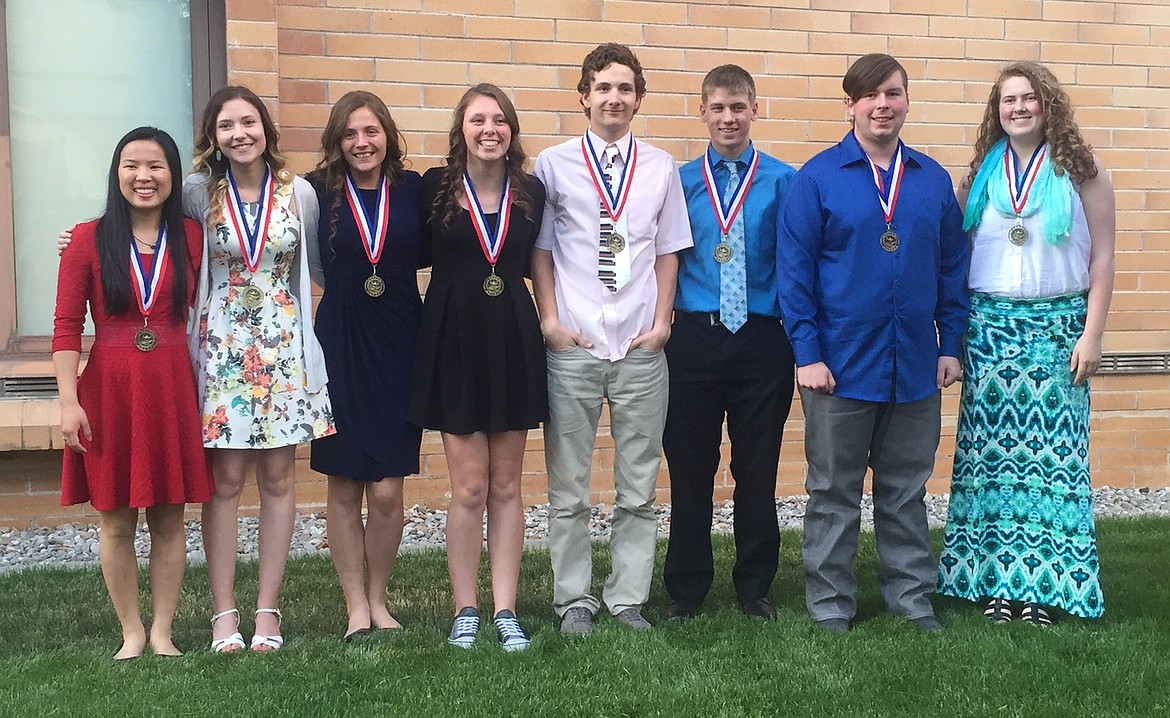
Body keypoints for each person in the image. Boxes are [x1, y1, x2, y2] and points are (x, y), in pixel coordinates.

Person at [776, 54, 969, 634]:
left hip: (913, 366)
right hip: (838, 367)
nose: (882, 105)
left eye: (893, 93)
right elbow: (795, 274)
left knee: (906, 491)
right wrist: (806, 353)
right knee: (833, 492)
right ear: (850, 105)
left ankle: (911, 598)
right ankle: (831, 604)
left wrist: (950, 343)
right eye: (870, 95)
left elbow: (952, 268)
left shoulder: (931, 180)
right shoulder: (817, 179)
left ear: (907, 101)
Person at [937, 61, 1115, 626]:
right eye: (1007, 99)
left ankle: (1044, 588)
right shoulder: (979, 177)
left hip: (1058, 330)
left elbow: (1104, 258)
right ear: (997, 110)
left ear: (1048, 105)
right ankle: (995, 584)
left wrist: (1093, 334)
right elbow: (958, 258)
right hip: (989, 333)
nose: (1017, 108)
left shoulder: (1083, 172)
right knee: (992, 463)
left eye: (1028, 98)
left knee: (1050, 462)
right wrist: (956, 335)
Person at [532, 43, 693, 635]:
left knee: (638, 488)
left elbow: (670, 249)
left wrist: (663, 325)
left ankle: (627, 597)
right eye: (603, 88)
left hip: (639, 347)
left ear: (638, 98)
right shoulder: (553, 165)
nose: (614, 99)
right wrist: (551, 323)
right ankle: (573, 598)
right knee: (568, 488)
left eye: (625, 89)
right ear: (584, 96)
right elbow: (541, 251)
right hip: (573, 345)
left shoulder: (660, 166)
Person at [53, 126, 214, 659]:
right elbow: (65, 327)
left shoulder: (191, 237)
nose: (143, 177)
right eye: (131, 165)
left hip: (170, 385)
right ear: (116, 172)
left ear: (173, 176)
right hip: (109, 389)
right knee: (115, 516)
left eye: (156, 166)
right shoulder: (85, 240)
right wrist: (68, 401)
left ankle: (163, 630)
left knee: (170, 514)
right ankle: (132, 631)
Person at [187, 86, 334, 652]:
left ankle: (267, 610)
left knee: (277, 480)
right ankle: (224, 612)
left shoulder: (298, 193)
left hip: (283, 349)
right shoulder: (200, 193)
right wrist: (84, 233)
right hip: (223, 350)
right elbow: (145, 223)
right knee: (224, 483)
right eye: (226, 126)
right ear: (214, 137)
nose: (239, 134)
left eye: (248, 122)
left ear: (266, 130)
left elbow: (320, 264)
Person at [409, 84, 546, 651]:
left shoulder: (531, 192)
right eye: (477, 119)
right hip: (454, 338)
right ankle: (467, 608)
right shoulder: (432, 189)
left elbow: (544, 263)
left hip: (512, 336)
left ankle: (506, 609)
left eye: (500, 120)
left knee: (508, 485)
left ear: (511, 131)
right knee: (468, 487)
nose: (489, 129)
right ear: (460, 129)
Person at [663, 65, 796, 622]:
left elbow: (796, 261)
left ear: (754, 111)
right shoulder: (678, 181)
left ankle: (754, 587)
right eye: (717, 107)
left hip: (763, 339)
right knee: (689, 469)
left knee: (758, 468)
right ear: (702, 112)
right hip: (694, 335)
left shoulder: (786, 181)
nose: (728, 118)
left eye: (738, 107)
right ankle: (687, 590)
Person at [306, 91, 426, 641]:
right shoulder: (313, 191)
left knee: (387, 487)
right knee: (345, 480)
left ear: (388, 136)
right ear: (337, 140)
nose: (361, 143)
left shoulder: (416, 190)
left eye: (371, 131)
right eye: (350, 134)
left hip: (402, 338)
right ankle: (355, 604)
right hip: (340, 341)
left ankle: (380, 598)